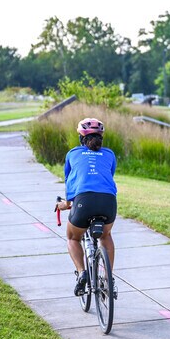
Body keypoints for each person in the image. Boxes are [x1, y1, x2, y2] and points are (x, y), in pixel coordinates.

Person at [56, 118, 118, 297]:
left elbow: (70, 183)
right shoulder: (110, 154)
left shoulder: (72, 154)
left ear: (80, 137)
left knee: (73, 238)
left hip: (83, 201)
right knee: (106, 236)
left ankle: (82, 272)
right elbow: (108, 175)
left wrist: (66, 205)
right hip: (108, 201)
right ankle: (108, 279)